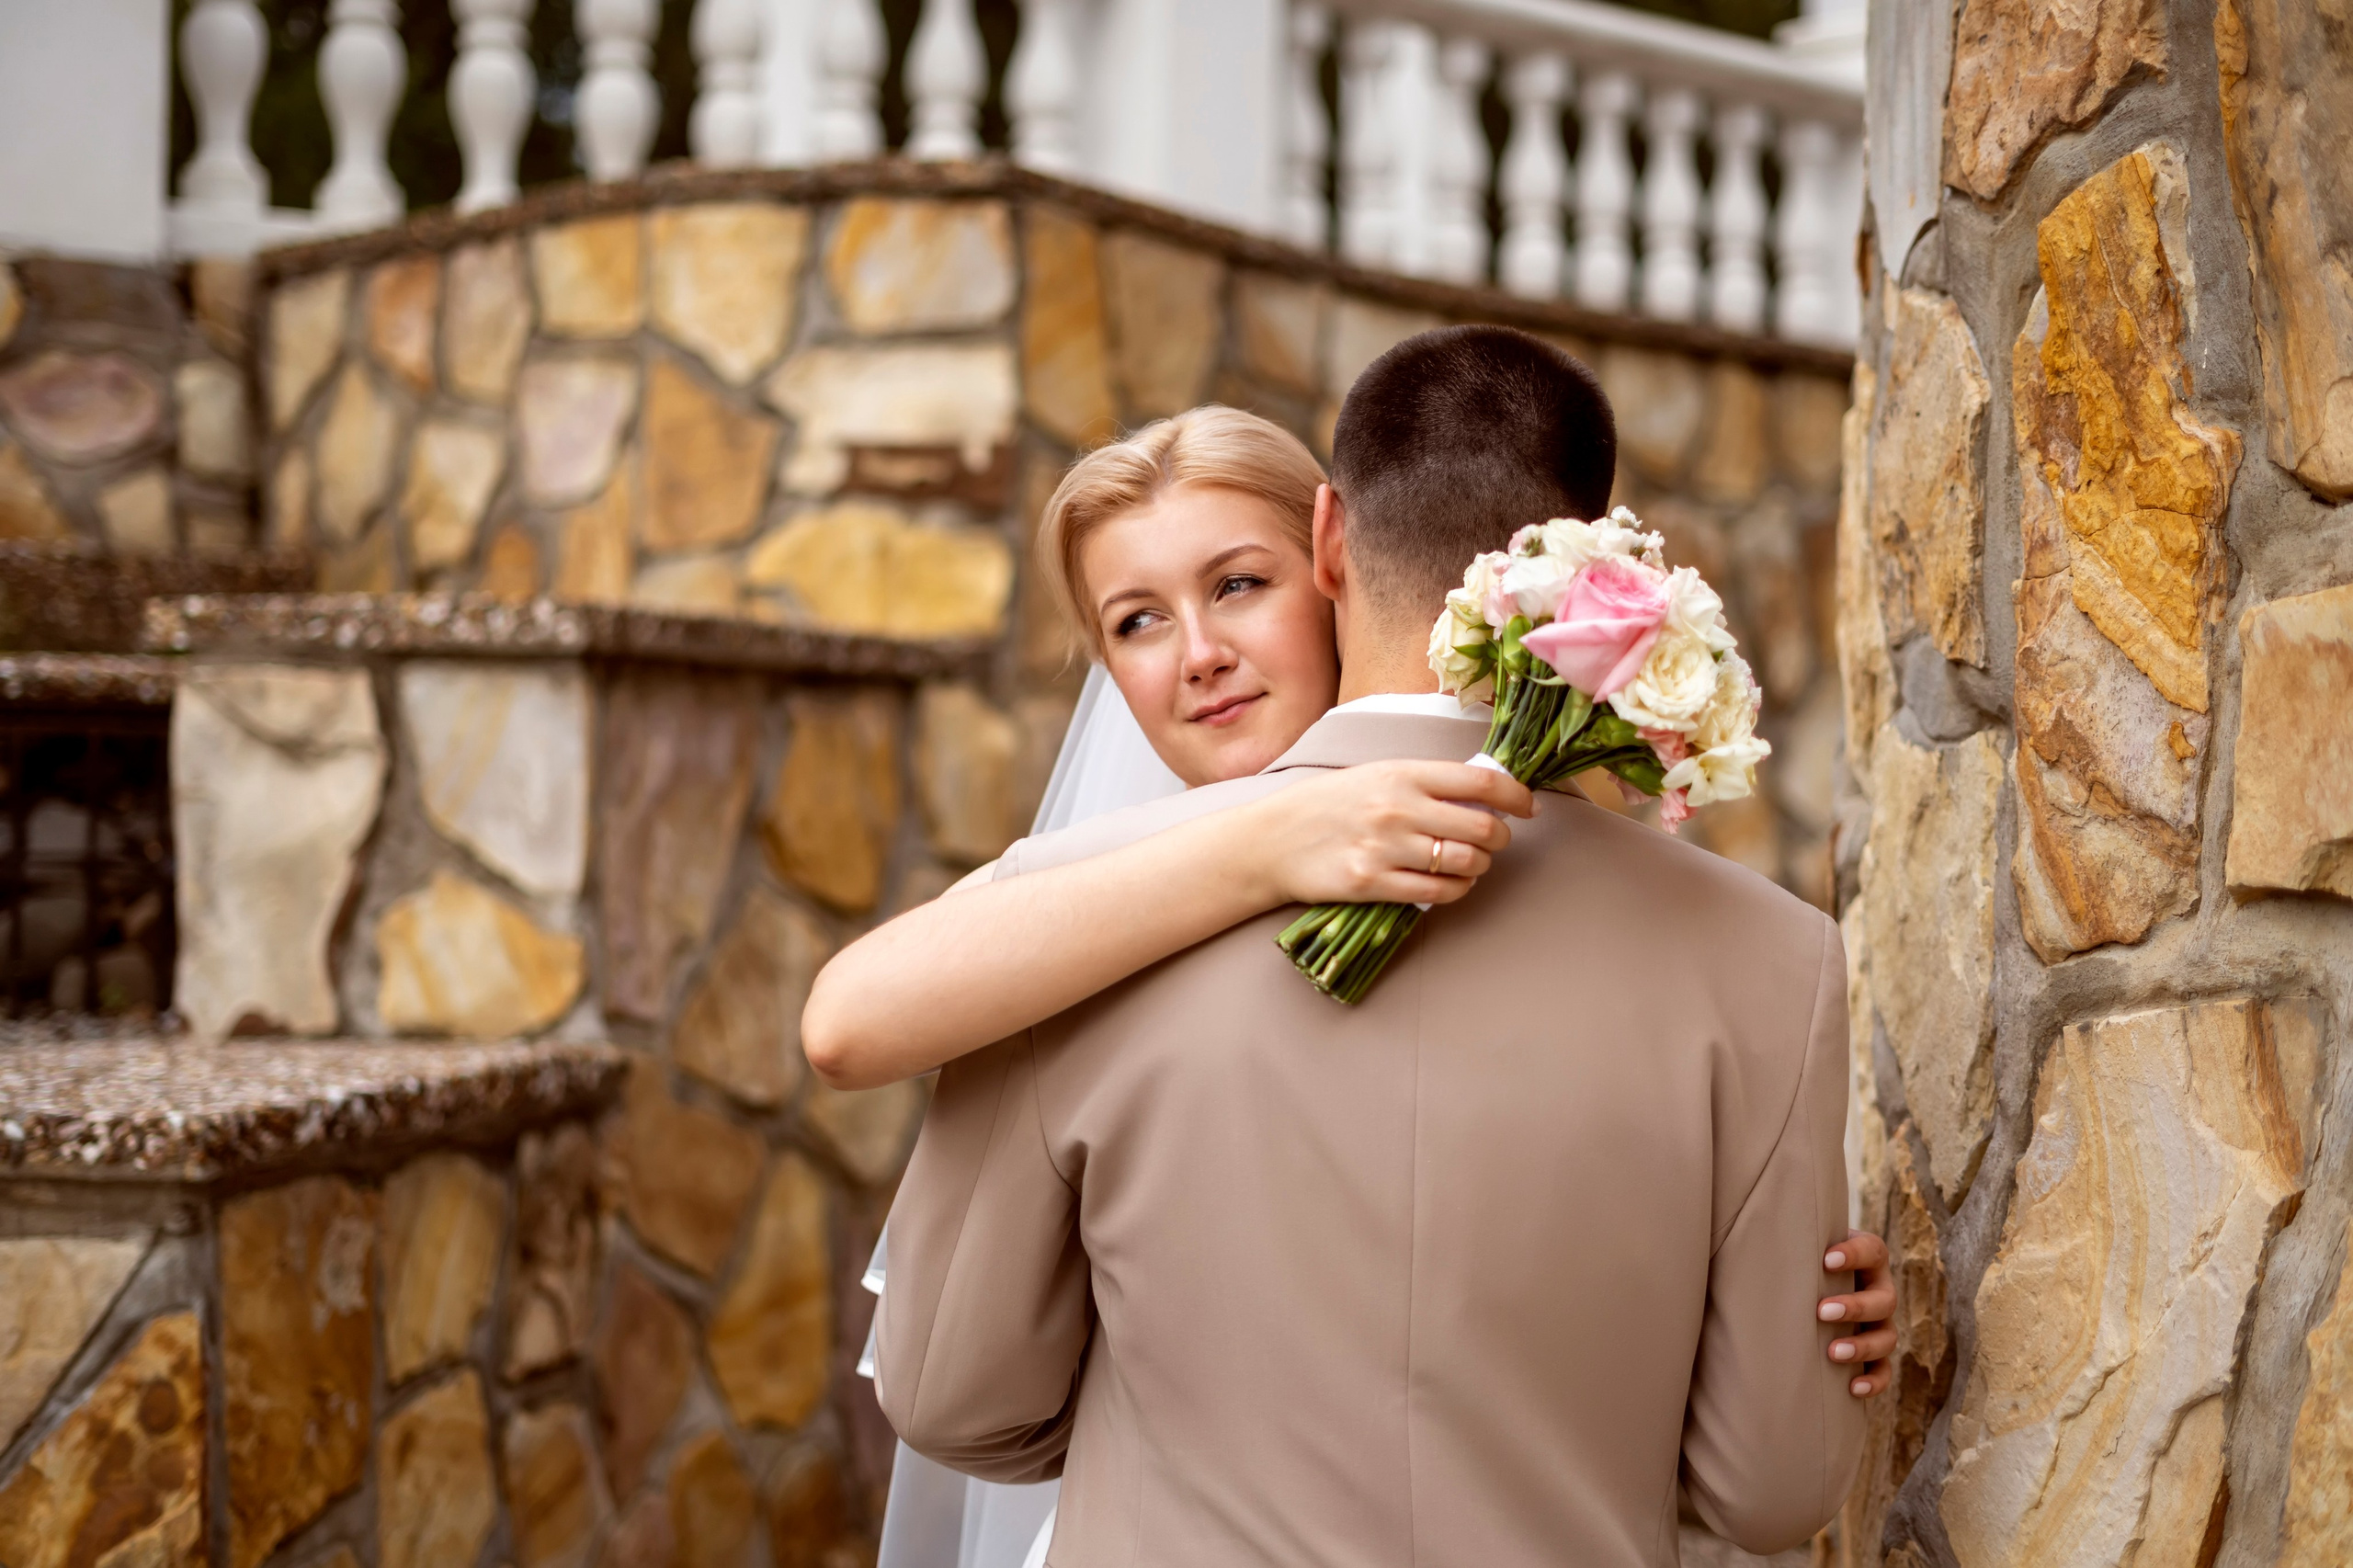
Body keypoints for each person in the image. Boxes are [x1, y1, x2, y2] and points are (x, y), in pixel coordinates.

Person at [813, 359, 1888, 1562]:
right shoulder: (1776, 961)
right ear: (1593, 568)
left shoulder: (1056, 945)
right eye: (1138, 620)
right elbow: (1770, 1483)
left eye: (1237, 584)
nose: (1204, 653)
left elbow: (954, 1398)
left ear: (1327, 545)